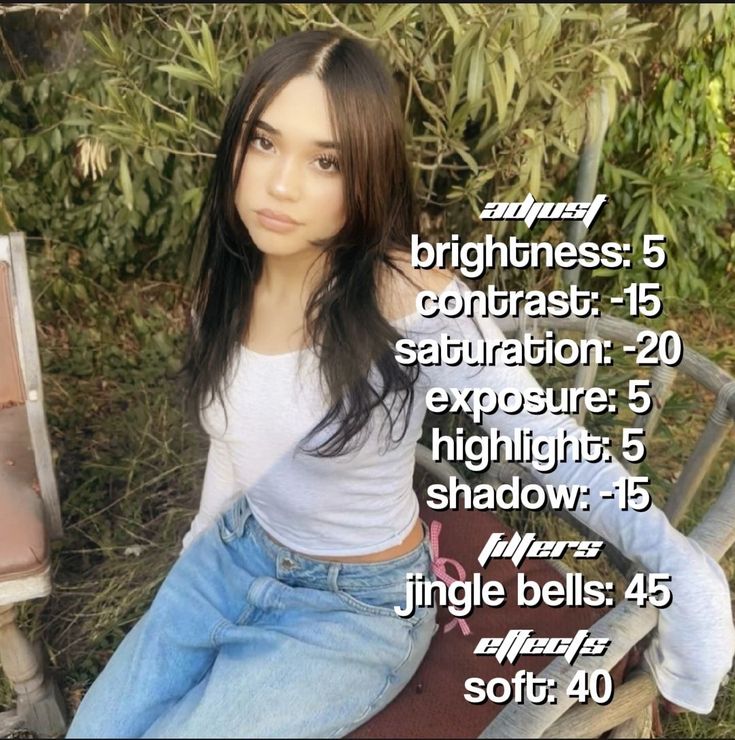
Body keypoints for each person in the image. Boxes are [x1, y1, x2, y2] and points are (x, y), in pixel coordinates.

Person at [66, 29, 734, 739]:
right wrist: (195, 551)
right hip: (233, 553)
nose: (280, 184)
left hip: (352, 610)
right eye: (263, 142)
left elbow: (546, 440)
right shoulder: (229, 285)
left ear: (367, 176)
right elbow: (236, 442)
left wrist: (674, 562)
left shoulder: (409, 302)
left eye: (325, 160)